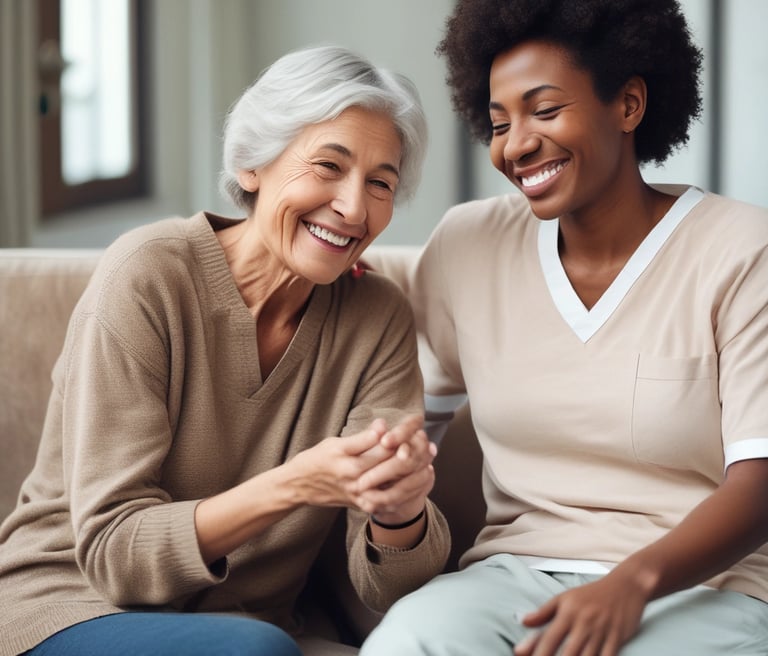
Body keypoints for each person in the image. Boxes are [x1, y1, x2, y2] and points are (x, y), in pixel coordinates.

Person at [0, 44, 450, 656]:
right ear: (251, 166)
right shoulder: (149, 274)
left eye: (381, 183)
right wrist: (295, 484)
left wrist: (400, 510)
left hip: (253, 630)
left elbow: (390, 589)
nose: (352, 207)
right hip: (73, 608)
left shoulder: (377, 316)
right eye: (327, 166)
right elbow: (114, 555)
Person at [360, 1, 768, 654]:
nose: (516, 144)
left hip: (704, 590)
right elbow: (414, 425)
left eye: (545, 111)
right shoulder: (469, 244)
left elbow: (759, 484)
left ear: (628, 104)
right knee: (405, 643)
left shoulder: (741, 249)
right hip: (511, 581)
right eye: (499, 123)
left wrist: (630, 585)